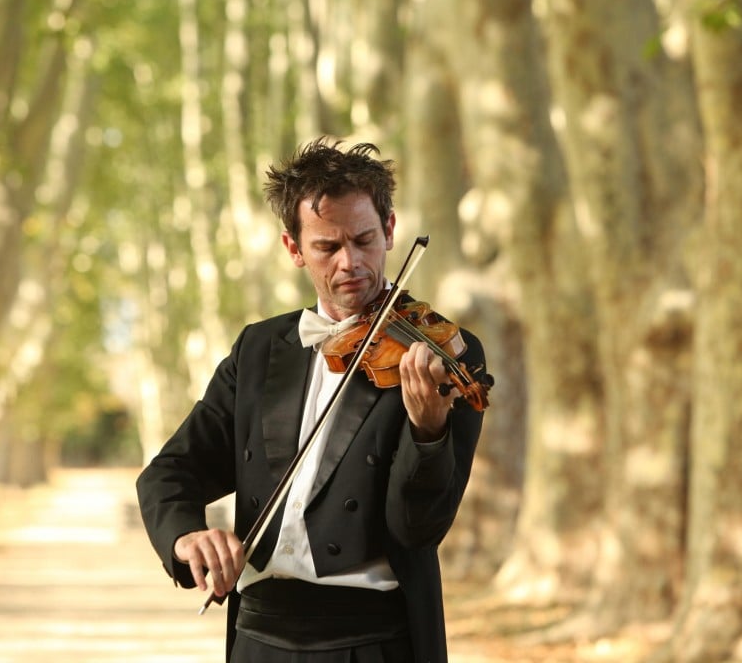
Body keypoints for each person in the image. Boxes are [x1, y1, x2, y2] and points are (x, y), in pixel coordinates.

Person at [136, 138, 488, 663]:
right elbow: (170, 472)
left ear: (390, 231)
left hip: (373, 644)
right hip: (259, 640)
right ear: (294, 248)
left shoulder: (439, 353)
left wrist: (428, 434)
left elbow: (417, 530)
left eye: (365, 240)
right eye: (327, 247)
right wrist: (186, 536)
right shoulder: (259, 350)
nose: (351, 262)